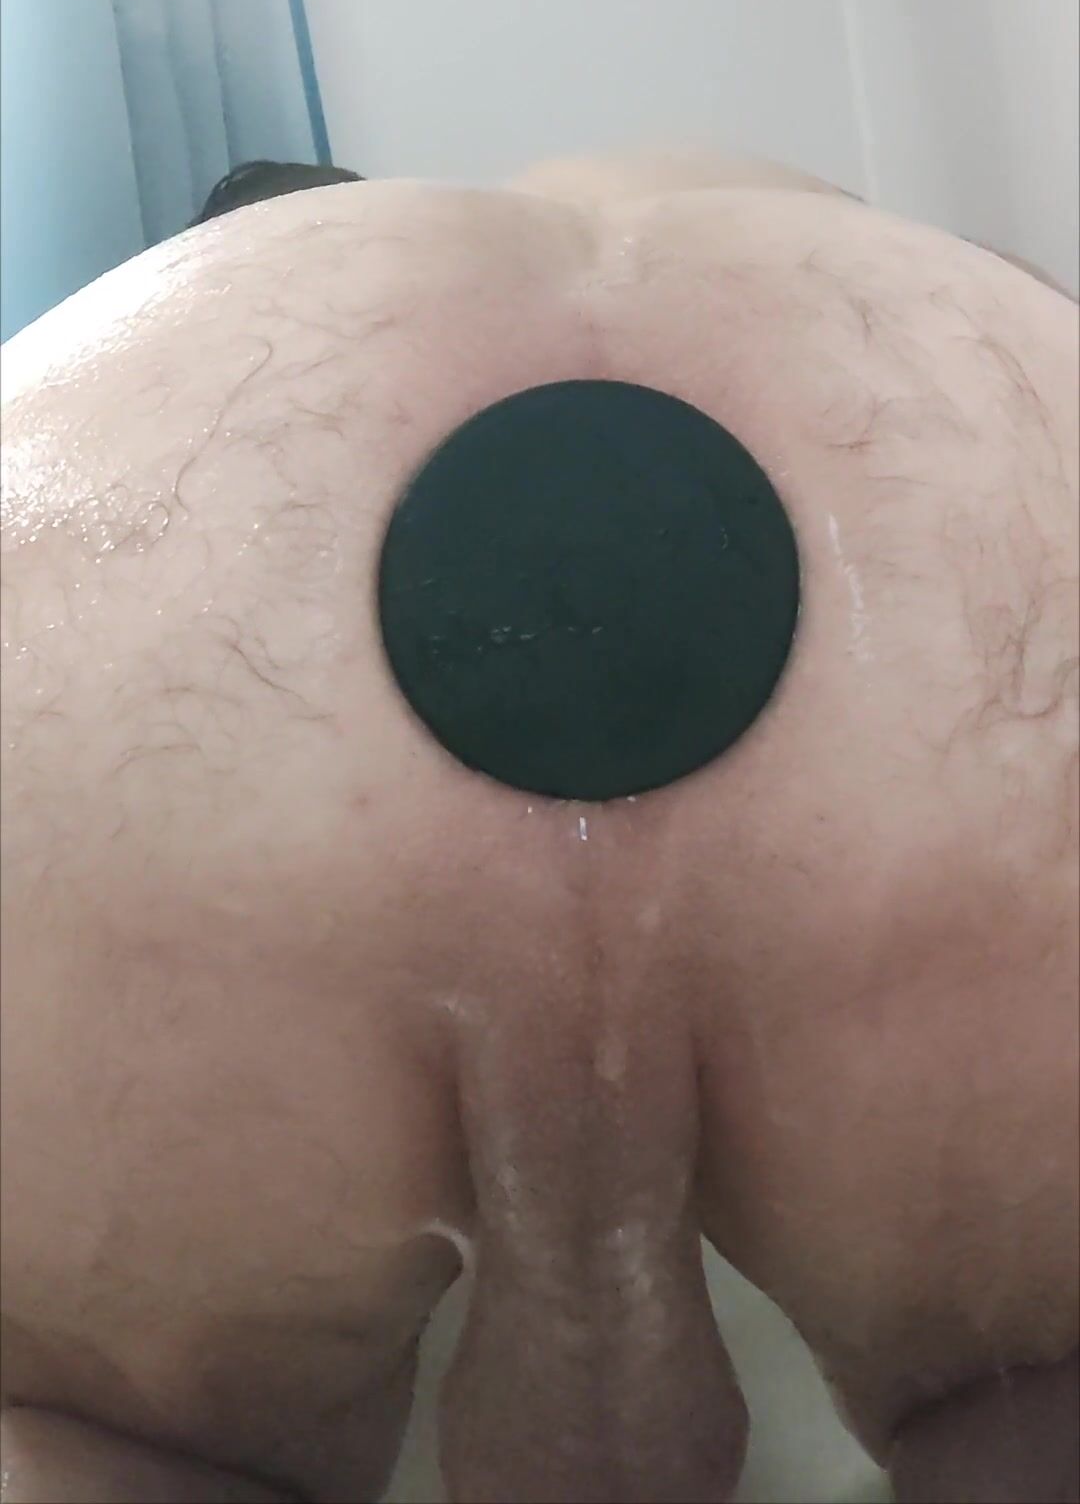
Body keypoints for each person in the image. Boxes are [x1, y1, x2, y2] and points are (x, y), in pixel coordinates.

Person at [1, 154, 1076, 1504]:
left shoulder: (222, 316)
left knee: (112, 1446)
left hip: (142, 611)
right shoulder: (824, 233)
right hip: (960, 536)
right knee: (1044, 1410)